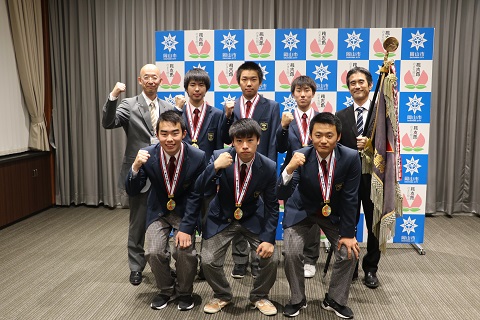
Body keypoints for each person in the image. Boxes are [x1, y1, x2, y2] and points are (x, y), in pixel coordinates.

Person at [277, 112, 360, 318]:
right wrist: (288, 169)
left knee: (348, 252)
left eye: (329, 135)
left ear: (338, 137)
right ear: (311, 136)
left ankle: (334, 300)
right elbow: (280, 193)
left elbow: (351, 198)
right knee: (292, 252)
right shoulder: (301, 155)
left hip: (332, 214)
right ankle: (297, 299)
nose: (323, 140)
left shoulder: (350, 157)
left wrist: (349, 235)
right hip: (302, 210)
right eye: (318, 135)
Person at [125, 111, 206, 311]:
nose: (169, 139)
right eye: (164, 133)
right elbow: (133, 190)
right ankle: (166, 290)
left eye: (175, 133)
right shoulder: (148, 154)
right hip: (158, 210)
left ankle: (185, 292)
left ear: (184, 133)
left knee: (184, 252)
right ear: (157, 134)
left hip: (185, 211)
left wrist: (187, 228)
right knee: (153, 251)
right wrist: (135, 167)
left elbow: (197, 195)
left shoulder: (197, 157)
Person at [198, 118, 279, 316]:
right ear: (232, 141)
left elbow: (272, 206)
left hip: (252, 216)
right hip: (221, 216)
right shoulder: (219, 156)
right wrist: (215, 167)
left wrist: (269, 239)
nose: (244, 146)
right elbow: (201, 189)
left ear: (258, 140)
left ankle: (259, 296)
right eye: (239, 140)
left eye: (250, 140)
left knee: (272, 257)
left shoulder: (268, 166)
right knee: (207, 260)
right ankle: (222, 295)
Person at [102, 63, 173, 286]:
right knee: (137, 224)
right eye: (147, 77)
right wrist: (113, 95)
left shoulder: (168, 106)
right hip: (139, 171)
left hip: (164, 173)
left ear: (161, 81)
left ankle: (165, 264)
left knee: (166, 220)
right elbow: (108, 122)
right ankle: (136, 267)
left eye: (155, 77)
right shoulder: (128, 104)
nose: (151, 81)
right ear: (140, 81)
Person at [221, 61, 281, 279]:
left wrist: (270, 171)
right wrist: (226, 116)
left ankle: (257, 260)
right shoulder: (231, 107)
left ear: (260, 81)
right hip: (237, 169)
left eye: (253, 79)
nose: (248, 83)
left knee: (260, 215)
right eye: (244, 79)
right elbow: (225, 139)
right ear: (238, 81)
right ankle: (239, 260)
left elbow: (273, 141)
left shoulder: (271, 106)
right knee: (238, 211)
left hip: (261, 170)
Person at [174, 68, 224, 279]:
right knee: (185, 222)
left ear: (207, 88)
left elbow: (220, 148)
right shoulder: (177, 114)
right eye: (192, 85)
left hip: (209, 181)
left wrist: (219, 178)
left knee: (208, 224)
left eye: (201, 85)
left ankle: (206, 267)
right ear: (186, 88)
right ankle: (186, 265)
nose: (197, 89)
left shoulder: (217, 114)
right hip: (182, 182)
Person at [336, 66, 380, 289]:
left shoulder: (381, 114)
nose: (357, 86)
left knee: (374, 225)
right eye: (352, 83)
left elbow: (390, 145)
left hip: (374, 179)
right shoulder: (340, 116)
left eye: (361, 82)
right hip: (350, 180)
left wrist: (371, 145)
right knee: (348, 223)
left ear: (370, 85)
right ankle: (349, 266)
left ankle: (371, 268)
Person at [276, 75, 321, 278]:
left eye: (307, 91)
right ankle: (291, 251)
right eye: (298, 91)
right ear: (293, 94)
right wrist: (283, 128)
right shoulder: (288, 118)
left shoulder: (321, 119)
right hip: (292, 172)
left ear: (313, 93)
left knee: (313, 215)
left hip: (316, 172)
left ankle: (310, 258)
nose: (303, 95)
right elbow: (280, 148)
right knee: (291, 212)